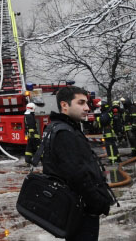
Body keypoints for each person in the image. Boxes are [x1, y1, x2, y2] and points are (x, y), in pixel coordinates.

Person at [41, 86, 114, 241]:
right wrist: (98, 202)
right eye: (81, 103)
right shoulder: (65, 133)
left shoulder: (60, 128)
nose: (87, 108)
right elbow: (78, 175)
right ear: (64, 105)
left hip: (74, 209)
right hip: (81, 211)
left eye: (87, 103)